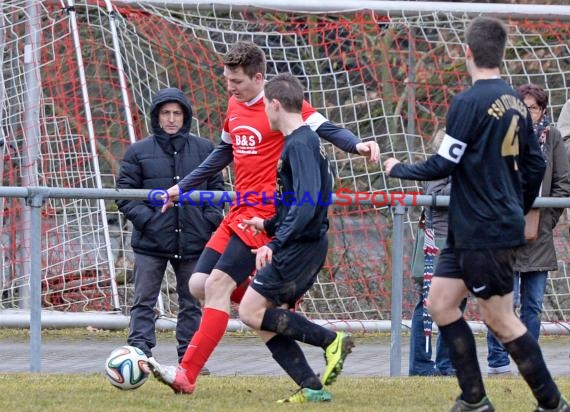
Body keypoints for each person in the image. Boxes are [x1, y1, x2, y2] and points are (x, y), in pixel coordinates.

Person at [148, 41, 379, 395]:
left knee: (217, 288)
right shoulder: (234, 105)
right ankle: (311, 379)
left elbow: (328, 129)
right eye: (227, 80)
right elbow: (223, 152)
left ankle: (186, 374)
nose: (231, 87)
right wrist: (182, 187)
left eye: (237, 81)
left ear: (259, 78)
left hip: (264, 214)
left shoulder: (283, 105)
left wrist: (357, 145)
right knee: (205, 288)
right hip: (238, 212)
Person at [384, 16, 568, 412]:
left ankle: (552, 403)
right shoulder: (517, 103)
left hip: (484, 229)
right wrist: (514, 203)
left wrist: (398, 168)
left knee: (500, 318)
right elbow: (535, 165)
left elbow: (442, 165)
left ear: (467, 52)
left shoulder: (468, 102)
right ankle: (474, 399)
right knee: (440, 303)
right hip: (469, 226)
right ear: (500, 53)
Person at [234, 73, 354, 403]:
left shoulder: (301, 143)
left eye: (265, 109)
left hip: (301, 245)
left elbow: (307, 203)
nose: (264, 116)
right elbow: (297, 204)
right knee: (264, 318)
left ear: (274, 105)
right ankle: (311, 386)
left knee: (249, 311)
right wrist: (269, 224)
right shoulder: (299, 142)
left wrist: (274, 243)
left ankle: (331, 340)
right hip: (302, 240)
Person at [116, 87, 224, 370]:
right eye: (166, 113)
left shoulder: (205, 150)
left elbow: (217, 190)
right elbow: (124, 194)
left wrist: (207, 222)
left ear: (185, 116)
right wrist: (150, 222)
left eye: (177, 113)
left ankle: (189, 361)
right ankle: (139, 356)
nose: (172, 119)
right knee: (144, 301)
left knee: (191, 303)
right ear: (157, 116)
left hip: (193, 241)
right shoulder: (138, 152)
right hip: (150, 242)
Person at [486, 84, 570, 375]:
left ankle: (528, 360)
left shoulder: (553, 139)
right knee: (501, 301)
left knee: (532, 305)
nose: (527, 113)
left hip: (539, 236)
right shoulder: (500, 138)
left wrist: (546, 220)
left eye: (533, 108)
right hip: (503, 234)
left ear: (542, 111)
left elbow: (562, 182)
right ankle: (497, 360)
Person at [409, 129, 467, 377]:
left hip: (465, 240)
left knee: (457, 304)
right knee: (428, 305)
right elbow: (434, 196)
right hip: (439, 240)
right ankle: (421, 365)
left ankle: (447, 363)